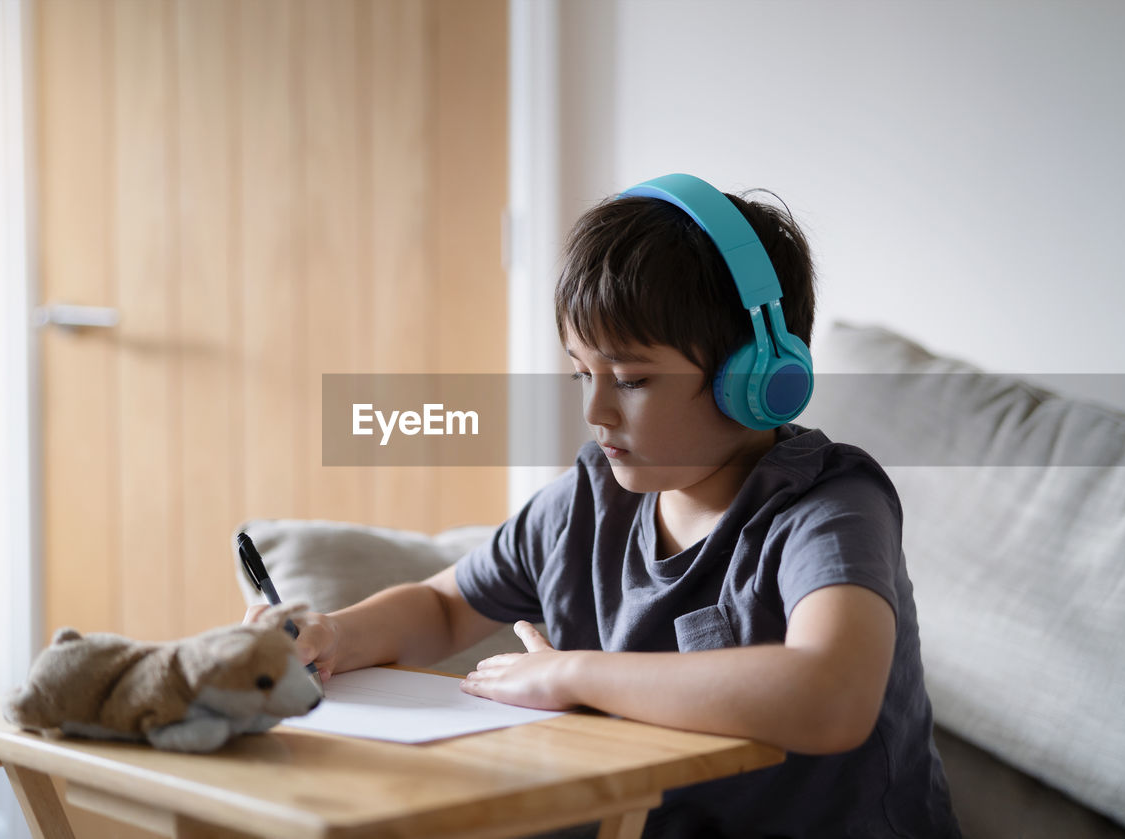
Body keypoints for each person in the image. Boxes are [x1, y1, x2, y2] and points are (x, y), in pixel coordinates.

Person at [246, 174, 961, 838]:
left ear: (759, 380)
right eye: (581, 372)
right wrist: (331, 633)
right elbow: (442, 608)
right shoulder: (588, 498)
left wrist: (572, 672)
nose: (594, 409)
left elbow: (832, 695)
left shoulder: (827, 507)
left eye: (631, 378)